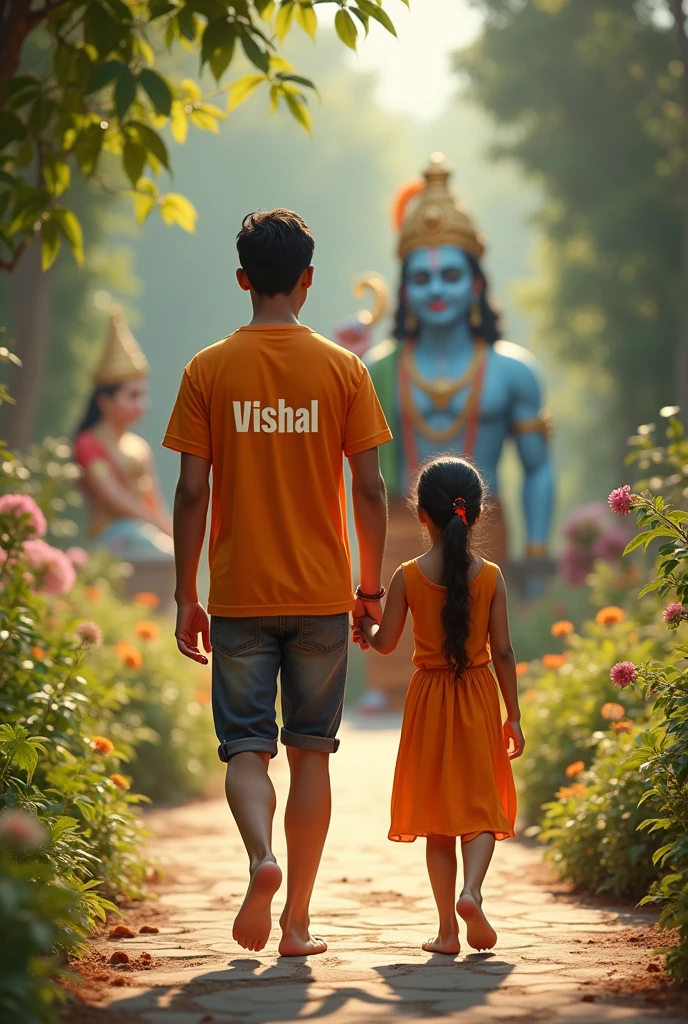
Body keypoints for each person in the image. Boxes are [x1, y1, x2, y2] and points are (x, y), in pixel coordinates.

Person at [162, 209, 392, 957]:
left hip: (238, 597)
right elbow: (370, 488)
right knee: (312, 753)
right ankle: (295, 920)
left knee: (246, 749)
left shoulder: (207, 369)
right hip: (324, 595)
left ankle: (259, 855)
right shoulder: (343, 368)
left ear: (240, 279)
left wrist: (184, 594)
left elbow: (192, 492)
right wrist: (370, 587)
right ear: (308, 279)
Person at [355, 455, 524, 955]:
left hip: (429, 699)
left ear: (420, 516)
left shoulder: (408, 575)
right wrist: (512, 715)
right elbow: (505, 652)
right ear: (473, 513)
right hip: (476, 696)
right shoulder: (491, 576)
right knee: (481, 804)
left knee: (437, 819)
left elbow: (386, 644)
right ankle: (473, 891)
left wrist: (362, 626)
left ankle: (448, 930)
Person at [74, 308, 174, 561]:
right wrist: (156, 527)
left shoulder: (139, 448)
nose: (142, 404)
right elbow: (115, 499)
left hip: (146, 534)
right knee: (155, 549)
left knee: (172, 553)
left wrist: (174, 534)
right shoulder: (89, 443)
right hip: (112, 539)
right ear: (105, 400)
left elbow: (155, 502)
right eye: (132, 396)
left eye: (143, 395)